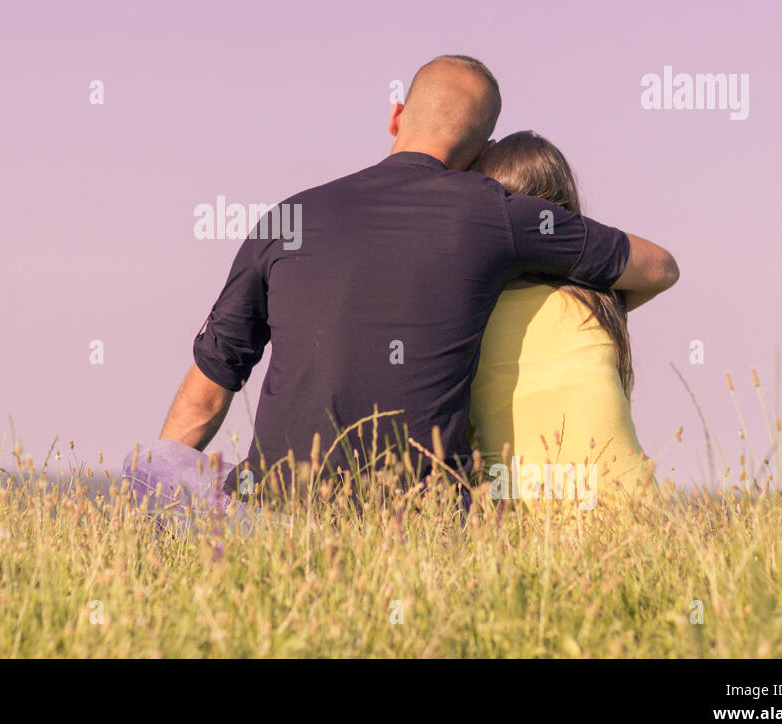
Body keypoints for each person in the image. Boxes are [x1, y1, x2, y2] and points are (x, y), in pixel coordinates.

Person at [125, 55, 678, 512]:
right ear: (482, 153)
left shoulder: (286, 218)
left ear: (395, 117)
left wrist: (154, 515)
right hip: (419, 521)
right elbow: (658, 265)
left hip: (277, 512)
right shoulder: (495, 213)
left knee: (149, 466)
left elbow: (209, 387)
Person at [467, 131, 658, 507]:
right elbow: (661, 271)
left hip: (521, 515)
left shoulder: (471, 310)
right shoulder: (599, 301)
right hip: (631, 513)